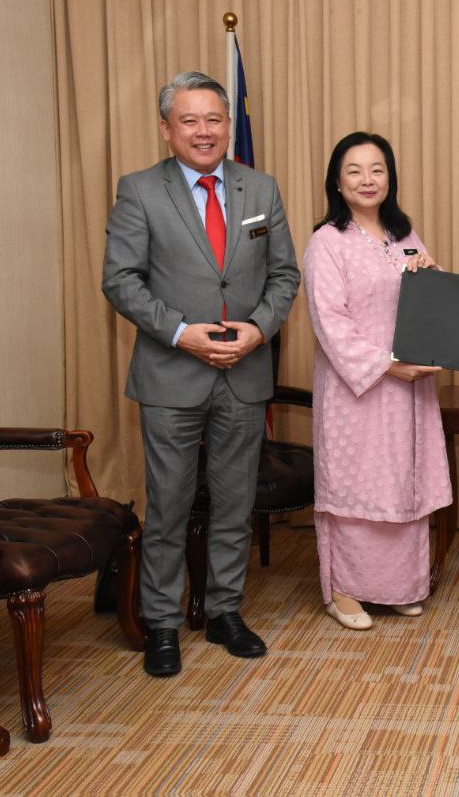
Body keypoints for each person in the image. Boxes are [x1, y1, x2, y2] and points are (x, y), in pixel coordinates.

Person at [102, 71, 300, 677]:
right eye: (189, 121)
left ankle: (224, 611)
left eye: (214, 119)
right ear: (167, 130)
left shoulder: (260, 189)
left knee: (235, 502)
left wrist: (259, 329)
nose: (205, 131)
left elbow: (284, 275)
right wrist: (180, 332)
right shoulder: (139, 191)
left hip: (244, 369)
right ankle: (161, 622)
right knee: (169, 504)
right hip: (171, 373)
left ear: (226, 123)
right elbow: (120, 280)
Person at [303, 131, 452, 631]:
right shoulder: (327, 241)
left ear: (390, 178)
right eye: (354, 171)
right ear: (337, 182)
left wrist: (433, 277)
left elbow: (429, 301)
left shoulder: (405, 236)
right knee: (356, 489)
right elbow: (330, 322)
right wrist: (387, 364)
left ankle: (397, 587)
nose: (367, 180)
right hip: (358, 390)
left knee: (403, 482)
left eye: (377, 170)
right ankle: (343, 590)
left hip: (409, 390)